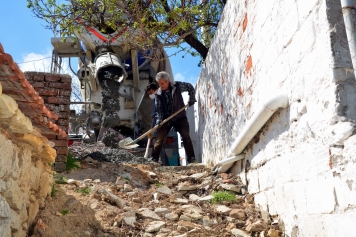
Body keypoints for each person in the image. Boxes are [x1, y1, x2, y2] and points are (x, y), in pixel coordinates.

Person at [151, 71, 198, 165]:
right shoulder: (158, 94)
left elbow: (189, 86)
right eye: (159, 83)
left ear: (168, 81)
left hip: (180, 117)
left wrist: (192, 98)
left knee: (186, 136)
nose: (160, 85)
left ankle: (192, 159)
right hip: (166, 119)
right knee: (159, 139)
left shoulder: (177, 86)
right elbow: (159, 109)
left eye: (162, 83)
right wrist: (159, 120)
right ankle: (154, 160)